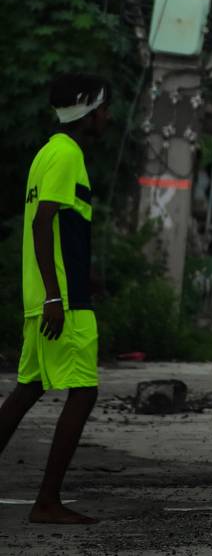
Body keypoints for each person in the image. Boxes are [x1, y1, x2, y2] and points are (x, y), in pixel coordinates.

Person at [0, 74, 111, 525]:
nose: (107, 117)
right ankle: (47, 501)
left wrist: (82, 275)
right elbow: (43, 222)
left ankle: (48, 500)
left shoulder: (47, 152)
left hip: (46, 294)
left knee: (28, 388)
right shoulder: (67, 154)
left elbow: (60, 224)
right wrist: (55, 296)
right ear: (88, 111)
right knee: (83, 392)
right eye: (103, 108)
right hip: (61, 300)